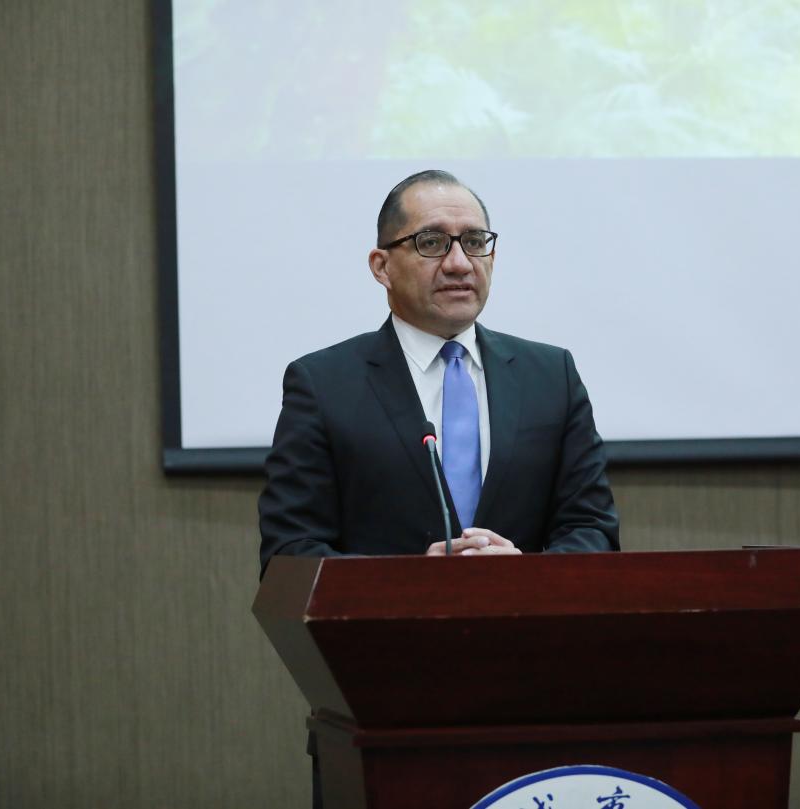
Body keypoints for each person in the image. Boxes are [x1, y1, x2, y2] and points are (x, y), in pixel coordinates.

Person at [257, 169, 619, 806]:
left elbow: (593, 530)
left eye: (475, 242)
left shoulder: (551, 374)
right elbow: (290, 556)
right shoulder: (324, 384)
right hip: (384, 717)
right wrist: (409, 585)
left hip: (535, 710)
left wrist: (526, 573)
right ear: (381, 265)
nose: (458, 262)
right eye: (431, 243)